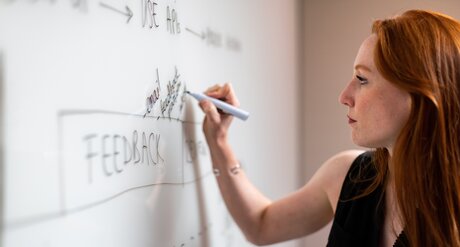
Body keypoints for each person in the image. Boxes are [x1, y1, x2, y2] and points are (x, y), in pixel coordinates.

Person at [197, 10, 460, 247]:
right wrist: (219, 142)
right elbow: (260, 225)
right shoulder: (350, 176)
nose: (344, 96)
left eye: (362, 79)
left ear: (419, 96)